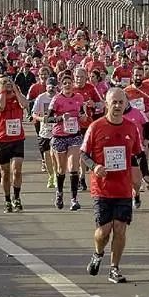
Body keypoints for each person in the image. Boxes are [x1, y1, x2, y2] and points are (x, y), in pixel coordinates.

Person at [83, 88, 149, 284]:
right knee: (103, 231)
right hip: (102, 188)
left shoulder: (131, 127)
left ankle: (114, 268)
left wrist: (146, 176)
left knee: (120, 229)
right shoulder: (96, 127)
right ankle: (98, 253)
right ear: (106, 104)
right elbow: (84, 154)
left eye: (121, 102)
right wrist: (95, 166)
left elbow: (139, 154)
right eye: (113, 102)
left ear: (126, 104)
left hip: (123, 188)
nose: (117, 106)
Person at [0, 74, 30, 212]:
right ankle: (7, 200)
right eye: (4, 82)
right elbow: (0, 107)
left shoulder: (17, 97)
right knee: (5, 173)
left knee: (17, 171)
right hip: (2, 140)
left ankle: (16, 198)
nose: (7, 84)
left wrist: (16, 90)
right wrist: (2, 91)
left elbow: (24, 104)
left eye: (9, 81)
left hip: (17, 139)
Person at [47, 74, 87, 211]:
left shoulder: (79, 98)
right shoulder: (56, 99)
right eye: (65, 83)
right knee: (61, 169)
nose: (68, 85)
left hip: (74, 136)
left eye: (70, 82)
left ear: (73, 84)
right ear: (61, 85)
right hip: (59, 136)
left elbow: (82, 114)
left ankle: (74, 199)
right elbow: (48, 119)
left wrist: (83, 117)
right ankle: (59, 193)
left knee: (73, 166)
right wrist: (60, 118)